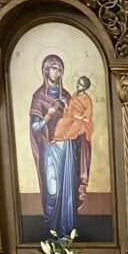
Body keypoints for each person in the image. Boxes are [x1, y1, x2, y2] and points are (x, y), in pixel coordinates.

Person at [29, 55, 91, 238]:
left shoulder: (68, 96)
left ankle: (67, 235)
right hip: (50, 149)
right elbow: (35, 128)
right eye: (53, 68)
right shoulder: (39, 97)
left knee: (68, 192)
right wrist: (48, 116)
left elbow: (79, 117)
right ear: (45, 70)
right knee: (53, 192)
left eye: (59, 69)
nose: (57, 72)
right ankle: (52, 235)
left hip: (68, 148)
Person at [52, 75, 94, 207]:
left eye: (81, 84)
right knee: (61, 122)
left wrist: (78, 117)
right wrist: (65, 103)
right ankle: (59, 138)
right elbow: (69, 112)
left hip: (82, 123)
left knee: (76, 125)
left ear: (85, 87)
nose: (78, 86)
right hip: (72, 119)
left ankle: (67, 136)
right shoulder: (74, 96)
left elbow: (87, 117)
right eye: (78, 83)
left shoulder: (87, 99)